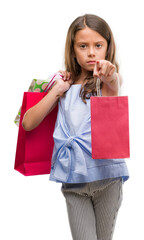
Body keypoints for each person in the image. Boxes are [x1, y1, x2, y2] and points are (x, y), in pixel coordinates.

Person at [22, 14, 129, 240]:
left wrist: (110, 75)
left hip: (107, 180)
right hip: (73, 183)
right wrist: (56, 90)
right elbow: (28, 123)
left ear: (108, 48)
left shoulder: (106, 81)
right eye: (83, 46)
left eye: (98, 45)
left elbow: (114, 84)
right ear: (72, 49)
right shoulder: (63, 84)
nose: (91, 52)